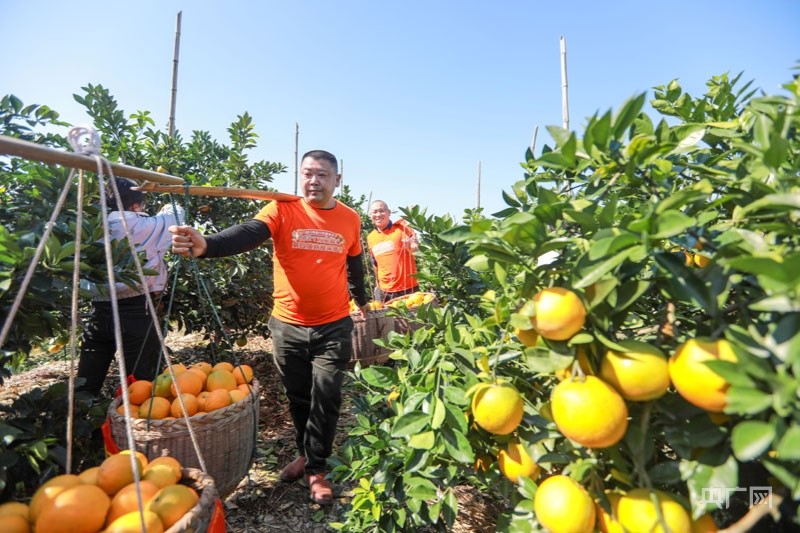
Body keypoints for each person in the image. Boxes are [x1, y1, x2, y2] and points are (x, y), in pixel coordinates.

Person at [169, 150, 370, 505]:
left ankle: (317, 469)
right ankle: (305, 453)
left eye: (322, 174)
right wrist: (207, 245)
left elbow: (354, 263)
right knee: (298, 396)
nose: (313, 180)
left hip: (333, 325)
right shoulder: (281, 209)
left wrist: (363, 300)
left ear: (337, 180)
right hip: (287, 325)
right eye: (307, 173)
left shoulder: (350, 219)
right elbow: (247, 233)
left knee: (326, 395)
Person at [78, 177, 184, 397]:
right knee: (140, 385)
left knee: (86, 383)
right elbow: (175, 214)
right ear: (135, 205)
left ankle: (83, 425)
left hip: (98, 312)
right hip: (136, 310)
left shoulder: (88, 228)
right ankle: (134, 428)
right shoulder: (143, 225)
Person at [367, 200, 420, 302]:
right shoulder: (370, 237)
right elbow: (375, 263)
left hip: (408, 287)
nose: (378, 214)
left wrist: (412, 248)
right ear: (370, 215)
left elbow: (417, 250)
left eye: (382, 211)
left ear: (389, 212)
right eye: (374, 212)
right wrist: (377, 286)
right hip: (385, 291)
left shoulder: (402, 228)